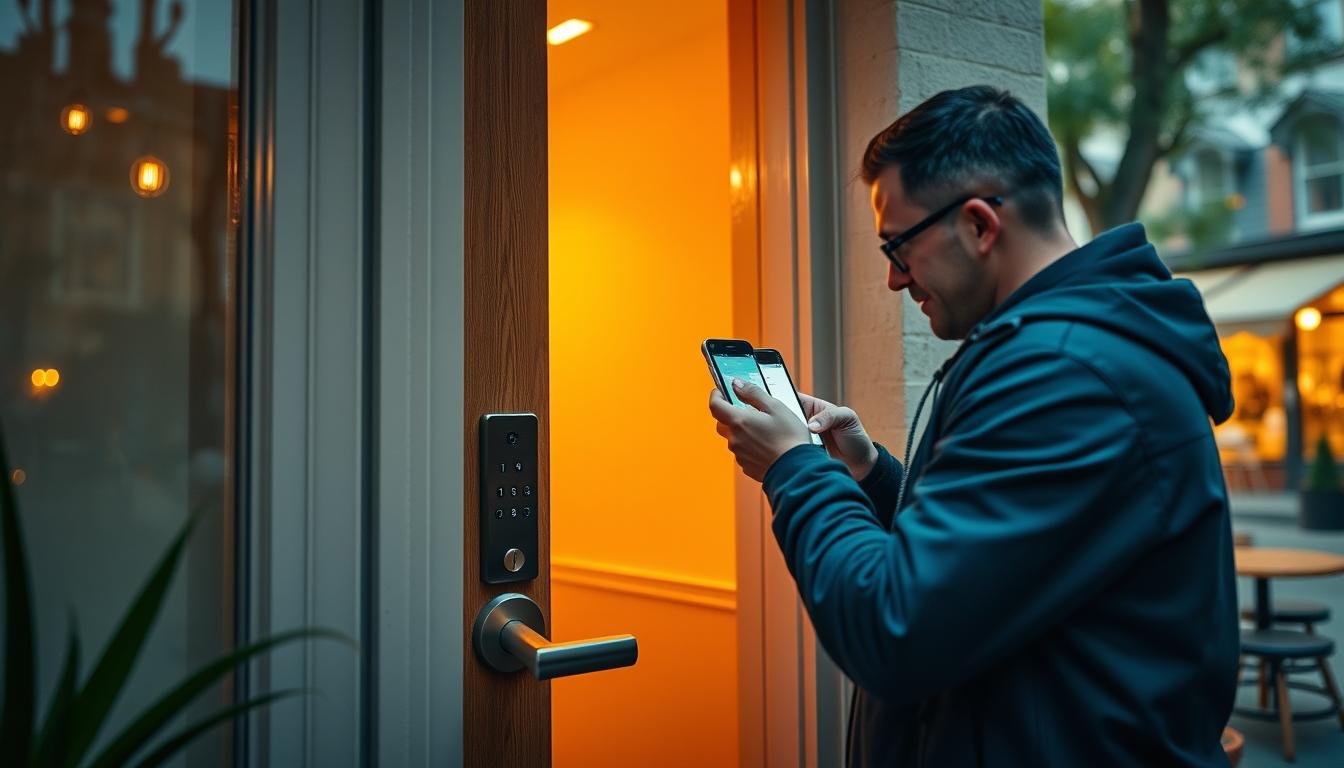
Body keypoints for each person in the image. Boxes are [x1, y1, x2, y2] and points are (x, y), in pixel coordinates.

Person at [708, 86, 1238, 766]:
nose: (895, 280)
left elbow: (895, 631)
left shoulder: (1063, 372)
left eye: (898, 247)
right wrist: (871, 475)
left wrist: (794, 469)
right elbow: (996, 567)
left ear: (981, 225)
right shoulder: (1064, 353)